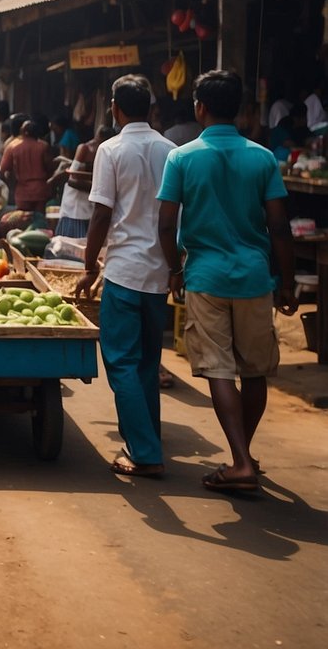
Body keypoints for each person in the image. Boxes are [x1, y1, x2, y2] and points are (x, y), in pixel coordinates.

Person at [159, 70, 298, 491]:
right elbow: (279, 226)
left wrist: (176, 270)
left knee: (218, 369)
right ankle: (245, 455)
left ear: (199, 107)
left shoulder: (181, 158)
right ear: (238, 108)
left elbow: (166, 226)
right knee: (254, 371)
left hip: (205, 276)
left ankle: (240, 462)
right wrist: (287, 283)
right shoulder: (261, 157)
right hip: (255, 277)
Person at [74, 76, 175, 479]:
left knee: (121, 362)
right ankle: (148, 436)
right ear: (150, 107)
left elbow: (100, 213)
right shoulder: (171, 150)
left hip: (124, 270)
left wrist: (89, 264)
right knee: (148, 360)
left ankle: (146, 453)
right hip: (159, 270)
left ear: (114, 107)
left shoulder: (111, 150)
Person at [53, 125, 113, 239]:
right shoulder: (85, 148)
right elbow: (73, 178)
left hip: (91, 204)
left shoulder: (107, 151)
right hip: (76, 205)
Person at [0, 120, 55, 212]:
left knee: (22, 221)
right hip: (41, 190)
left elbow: (2, 171)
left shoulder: (13, 147)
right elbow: (50, 168)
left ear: (22, 132)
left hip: (22, 192)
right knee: (40, 220)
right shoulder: (43, 146)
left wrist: (11, 185)